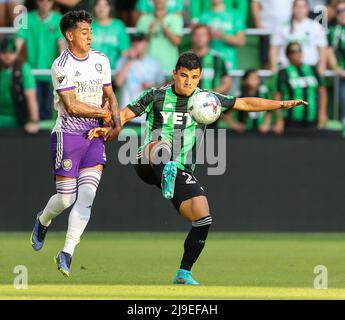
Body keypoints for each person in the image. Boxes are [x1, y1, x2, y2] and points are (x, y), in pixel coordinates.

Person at [88, 51, 307, 285]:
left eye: (193, 77)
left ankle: (184, 273)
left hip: (181, 168)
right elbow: (124, 114)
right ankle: (166, 172)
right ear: (174, 74)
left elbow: (244, 103)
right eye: (183, 76)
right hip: (147, 160)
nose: (188, 82)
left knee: (203, 218)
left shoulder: (207, 100)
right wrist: (110, 126)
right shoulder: (155, 96)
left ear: (200, 76)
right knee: (160, 145)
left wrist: (281, 104)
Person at [30, 10, 121, 278]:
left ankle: (67, 252)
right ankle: (43, 219)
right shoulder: (61, 65)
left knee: (88, 195)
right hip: (68, 136)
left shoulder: (101, 60)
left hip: (94, 136)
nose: (90, 36)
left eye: (91, 32)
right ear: (70, 35)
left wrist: (115, 123)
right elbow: (70, 106)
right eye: (84, 32)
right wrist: (102, 114)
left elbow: (110, 94)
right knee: (66, 198)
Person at [16, 0, 65, 120]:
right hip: (31, 73)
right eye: (42, 0)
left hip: (51, 73)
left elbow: (62, 46)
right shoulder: (25, 18)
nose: (45, 3)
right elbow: (18, 43)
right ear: (36, 2)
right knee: (33, 112)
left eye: (48, 0)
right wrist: (18, 65)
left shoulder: (59, 19)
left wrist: (63, 68)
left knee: (49, 112)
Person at [272, 42, 327, 135]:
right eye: (293, 51)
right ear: (287, 55)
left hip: (312, 118)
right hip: (291, 119)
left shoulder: (312, 69)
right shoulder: (283, 72)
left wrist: (322, 113)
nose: (297, 53)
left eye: (299, 50)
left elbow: (322, 91)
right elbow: (276, 96)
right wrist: (279, 119)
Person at [114, 32, 164, 124]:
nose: (136, 44)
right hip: (126, 116)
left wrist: (152, 86)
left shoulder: (154, 63)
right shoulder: (123, 60)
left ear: (146, 44)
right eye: (133, 41)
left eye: (139, 41)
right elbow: (117, 83)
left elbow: (162, 86)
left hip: (148, 117)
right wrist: (129, 60)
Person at [270, 0, 328, 74]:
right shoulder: (282, 27)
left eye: (303, 6)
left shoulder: (316, 26)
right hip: (287, 69)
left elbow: (322, 48)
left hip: (310, 69)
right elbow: (274, 48)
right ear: (292, 8)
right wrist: (274, 66)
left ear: (307, 8)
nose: (300, 9)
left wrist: (322, 66)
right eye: (297, 6)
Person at [0, 36, 39, 133]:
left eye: (11, 52)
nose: (7, 55)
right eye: (4, 52)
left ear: (16, 53)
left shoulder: (23, 69)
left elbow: (31, 97)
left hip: (18, 118)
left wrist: (33, 121)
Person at [196, 0, 246, 73]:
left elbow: (241, 41)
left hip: (229, 64)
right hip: (208, 66)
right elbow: (197, 42)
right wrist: (208, 35)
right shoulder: (203, 16)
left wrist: (222, 36)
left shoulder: (234, 15)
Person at [136, 0, 184, 77]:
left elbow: (177, 41)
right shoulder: (143, 19)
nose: (159, 1)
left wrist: (163, 25)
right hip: (148, 69)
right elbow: (138, 46)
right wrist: (149, 33)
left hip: (169, 66)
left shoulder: (176, 18)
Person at [223, 69, 272, 133]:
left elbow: (269, 110)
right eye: (252, 78)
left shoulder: (264, 93)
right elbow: (226, 111)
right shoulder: (238, 94)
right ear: (245, 80)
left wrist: (266, 124)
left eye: (256, 78)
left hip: (261, 132)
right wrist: (234, 125)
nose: (255, 80)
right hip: (242, 133)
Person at [251, 0, 294, 69]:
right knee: (266, 63)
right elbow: (255, 3)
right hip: (267, 30)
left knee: (288, 62)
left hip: (287, 31)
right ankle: (265, 79)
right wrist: (258, 25)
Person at [191, 24, 232, 94]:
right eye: (196, 34)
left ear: (209, 37)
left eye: (203, 34)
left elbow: (227, 84)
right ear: (192, 37)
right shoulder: (185, 59)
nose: (199, 37)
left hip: (213, 101)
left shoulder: (218, 59)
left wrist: (210, 95)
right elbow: (176, 81)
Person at [91, 0, 130, 73]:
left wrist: (120, 73)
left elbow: (125, 52)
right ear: (93, 7)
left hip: (115, 73)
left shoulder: (118, 25)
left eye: (105, 5)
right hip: (92, 73)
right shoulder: (87, 25)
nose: (101, 8)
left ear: (110, 8)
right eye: (98, 5)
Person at [327, 0, 345, 128]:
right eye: (339, 11)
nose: (342, 14)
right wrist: (336, 67)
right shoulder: (334, 30)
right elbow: (329, 51)